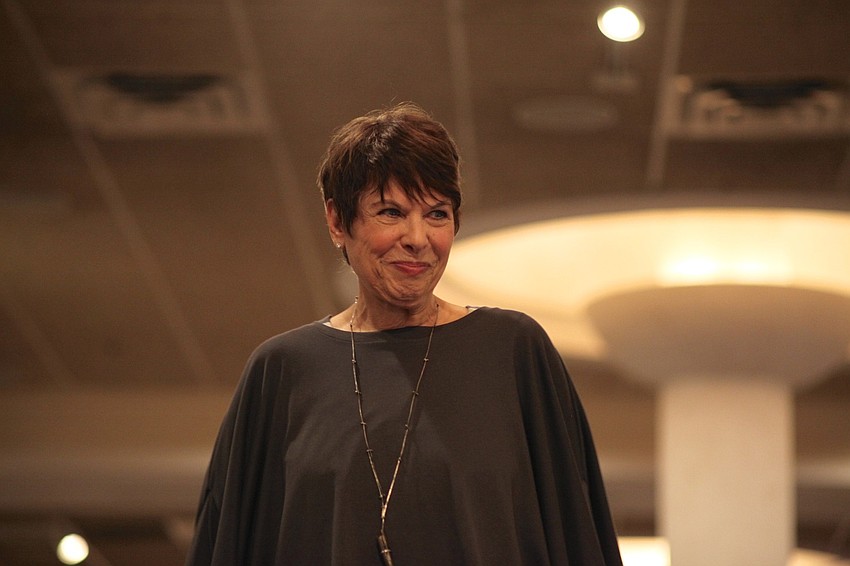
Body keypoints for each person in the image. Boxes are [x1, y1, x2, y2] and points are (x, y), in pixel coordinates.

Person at [185, 102, 623, 566]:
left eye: (437, 214)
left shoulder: (513, 351)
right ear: (337, 222)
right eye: (391, 212)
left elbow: (579, 533)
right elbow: (227, 543)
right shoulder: (281, 371)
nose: (418, 238)